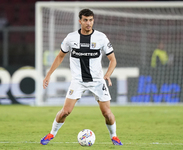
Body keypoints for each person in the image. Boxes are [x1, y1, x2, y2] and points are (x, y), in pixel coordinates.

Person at [40, 9, 123, 146]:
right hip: (78, 81)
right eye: (85, 20)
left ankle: (114, 136)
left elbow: (113, 60)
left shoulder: (101, 38)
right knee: (65, 112)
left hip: (97, 81)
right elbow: (60, 56)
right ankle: (51, 134)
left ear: (93, 20)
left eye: (91, 20)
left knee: (107, 114)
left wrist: (107, 74)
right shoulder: (71, 38)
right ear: (80, 21)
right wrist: (48, 75)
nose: (88, 23)